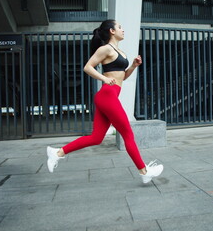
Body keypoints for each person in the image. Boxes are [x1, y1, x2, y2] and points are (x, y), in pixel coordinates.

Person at [46, 19, 163, 184]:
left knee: (96, 138)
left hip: (109, 96)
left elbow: (122, 77)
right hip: (107, 95)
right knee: (128, 134)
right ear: (111, 31)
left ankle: (57, 153)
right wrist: (104, 79)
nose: (123, 30)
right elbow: (88, 67)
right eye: (120, 27)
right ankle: (144, 172)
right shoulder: (105, 49)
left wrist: (133, 66)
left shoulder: (119, 51)